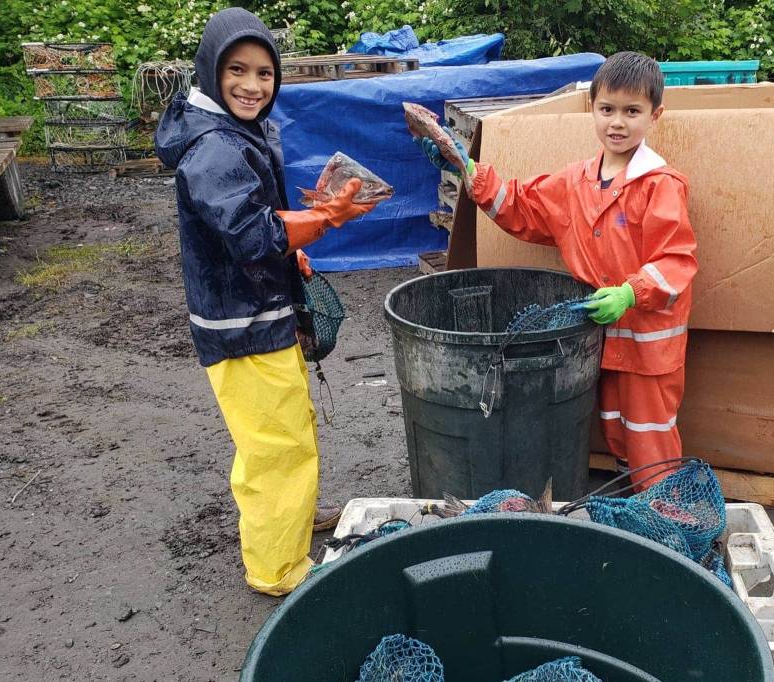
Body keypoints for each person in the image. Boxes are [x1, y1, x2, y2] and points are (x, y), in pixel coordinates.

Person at [155, 7, 375, 596]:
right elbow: (251, 233)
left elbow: (256, 227)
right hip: (241, 323)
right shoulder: (213, 148)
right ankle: (279, 570)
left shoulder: (238, 129)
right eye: (236, 70)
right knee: (276, 446)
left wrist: (293, 247)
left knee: (288, 427)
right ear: (209, 71)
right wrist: (324, 218)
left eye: (264, 72)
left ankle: (292, 521)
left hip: (261, 307)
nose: (252, 86)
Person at [418, 52, 697, 491]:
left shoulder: (661, 185)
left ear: (654, 115)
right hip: (599, 343)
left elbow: (676, 261)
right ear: (592, 108)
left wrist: (631, 293)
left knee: (651, 439)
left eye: (632, 111)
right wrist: (466, 169)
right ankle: (639, 509)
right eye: (607, 110)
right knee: (616, 429)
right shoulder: (575, 183)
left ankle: (669, 519)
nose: (617, 123)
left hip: (647, 350)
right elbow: (520, 205)